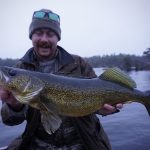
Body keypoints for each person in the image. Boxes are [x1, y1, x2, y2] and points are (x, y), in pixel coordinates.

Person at [0, 9, 123, 150]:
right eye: (39, 33)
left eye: (50, 34)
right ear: (31, 36)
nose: (44, 39)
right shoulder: (20, 69)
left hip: (84, 142)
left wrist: (104, 109)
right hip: (39, 144)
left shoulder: (79, 64)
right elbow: (10, 121)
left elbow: (98, 98)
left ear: (57, 38)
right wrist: (14, 107)